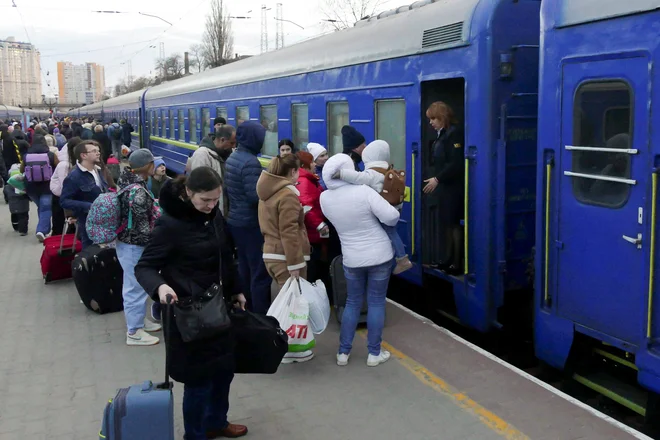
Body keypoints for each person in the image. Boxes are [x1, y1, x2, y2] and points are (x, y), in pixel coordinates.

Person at [135, 167, 248, 440]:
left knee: (224, 372)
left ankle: (216, 422)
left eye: (215, 200)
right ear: (188, 193)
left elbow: (225, 256)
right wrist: (160, 287)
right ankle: (195, 434)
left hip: (219, 309)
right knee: (199, 382)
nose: (211, 206)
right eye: (205, 200)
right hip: (189, 315)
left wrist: (237, 291)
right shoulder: (170, 224)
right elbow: (145, 267)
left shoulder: (213, 216)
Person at [320, 153, 400, 367]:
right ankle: (374, 354)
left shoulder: (324, 198)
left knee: (352, 303)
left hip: (352, 258)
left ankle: (343, 353)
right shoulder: (363, 192)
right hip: (379, 255)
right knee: (375, 302)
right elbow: (391, 217)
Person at [334, 140, 412, 274]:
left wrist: (341, 174)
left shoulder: (372, 174)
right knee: (392, 233)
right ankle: (400, 257)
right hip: (393, 208)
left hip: (381, 212)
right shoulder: (387, 170)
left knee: (388, 233)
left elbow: (357, 177)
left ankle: (402, 259)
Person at [115, 149, 162, 346]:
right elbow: (143, 225)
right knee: (135, 286)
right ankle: (134, 331)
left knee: (136, 284)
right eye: (153, 163)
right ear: (147, 166)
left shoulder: (128, 181)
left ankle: (140, 320)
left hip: (126, 242)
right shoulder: (138, 191)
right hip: (134, 244)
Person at [225, 121, 272, 314]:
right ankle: (261, 314)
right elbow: (255, 196)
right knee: (260, 272)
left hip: (236, 220)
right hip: (251, 223)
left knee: (245, 267)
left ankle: (247, 309)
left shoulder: (233, 157)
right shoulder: (250, 162)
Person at [423, 101, 465, 275]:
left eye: (433, 118)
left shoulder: (454, 134)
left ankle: (456, 263)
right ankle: (448, 260)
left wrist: (437, 179)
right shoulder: (443, 134)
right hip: (445, 187)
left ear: (442, 117)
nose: (431, 122)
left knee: (454, 225)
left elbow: (456, 163)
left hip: (453, 188)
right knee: (448, 224)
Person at [60, 140, 109, 249]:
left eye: (98, 150)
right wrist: (88, 206)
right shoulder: (74, 176)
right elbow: (64, 201)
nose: (98, 153)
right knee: (91, 251)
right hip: (88, 221)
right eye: (94, 151)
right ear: (84, 155)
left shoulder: (98, 170)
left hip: (105, 220)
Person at [296, 151, 329, 283]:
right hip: (313, 234)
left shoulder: (309, 179)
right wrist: (320, 225)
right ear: (305, 165)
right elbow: (306, 206)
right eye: (312, 161)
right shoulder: (304, 182)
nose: (314, 164)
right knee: (313, 268)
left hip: (313, 232)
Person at [190, 124, 236, 217]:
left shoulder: (229, 153)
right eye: (231, 143)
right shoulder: (202, 155)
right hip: (211, 211)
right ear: (222, 139)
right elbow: (199, 188)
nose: (233, 146)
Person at [22, 133, 59, 242]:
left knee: (42, 208)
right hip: (47, 186)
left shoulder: (26, 156)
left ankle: (43, 230)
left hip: (31, 188)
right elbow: (58, 167)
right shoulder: (51, 155)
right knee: (46, 208)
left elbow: (21, 170)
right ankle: (42, 230)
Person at [50, 137, 83, 236]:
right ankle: (57, 247)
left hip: (70, 198)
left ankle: (68, 245)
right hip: (60, 198)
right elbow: (64, 185)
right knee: (59, 225)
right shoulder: (64, 165)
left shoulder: (77, 164)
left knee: (71, 226)